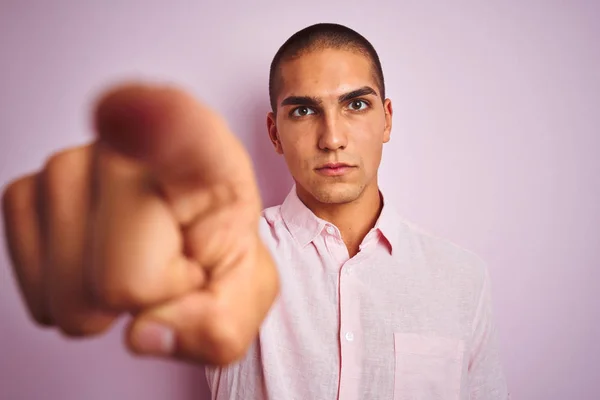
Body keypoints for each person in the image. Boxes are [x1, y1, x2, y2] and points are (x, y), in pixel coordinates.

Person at [1, 23, 509, 399]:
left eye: (355, 104)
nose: (332, 138)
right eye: (304, 110)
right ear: (273, 132)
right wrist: (109, 228)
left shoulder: (462, 281)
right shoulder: (226, 252)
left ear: (386, 119)